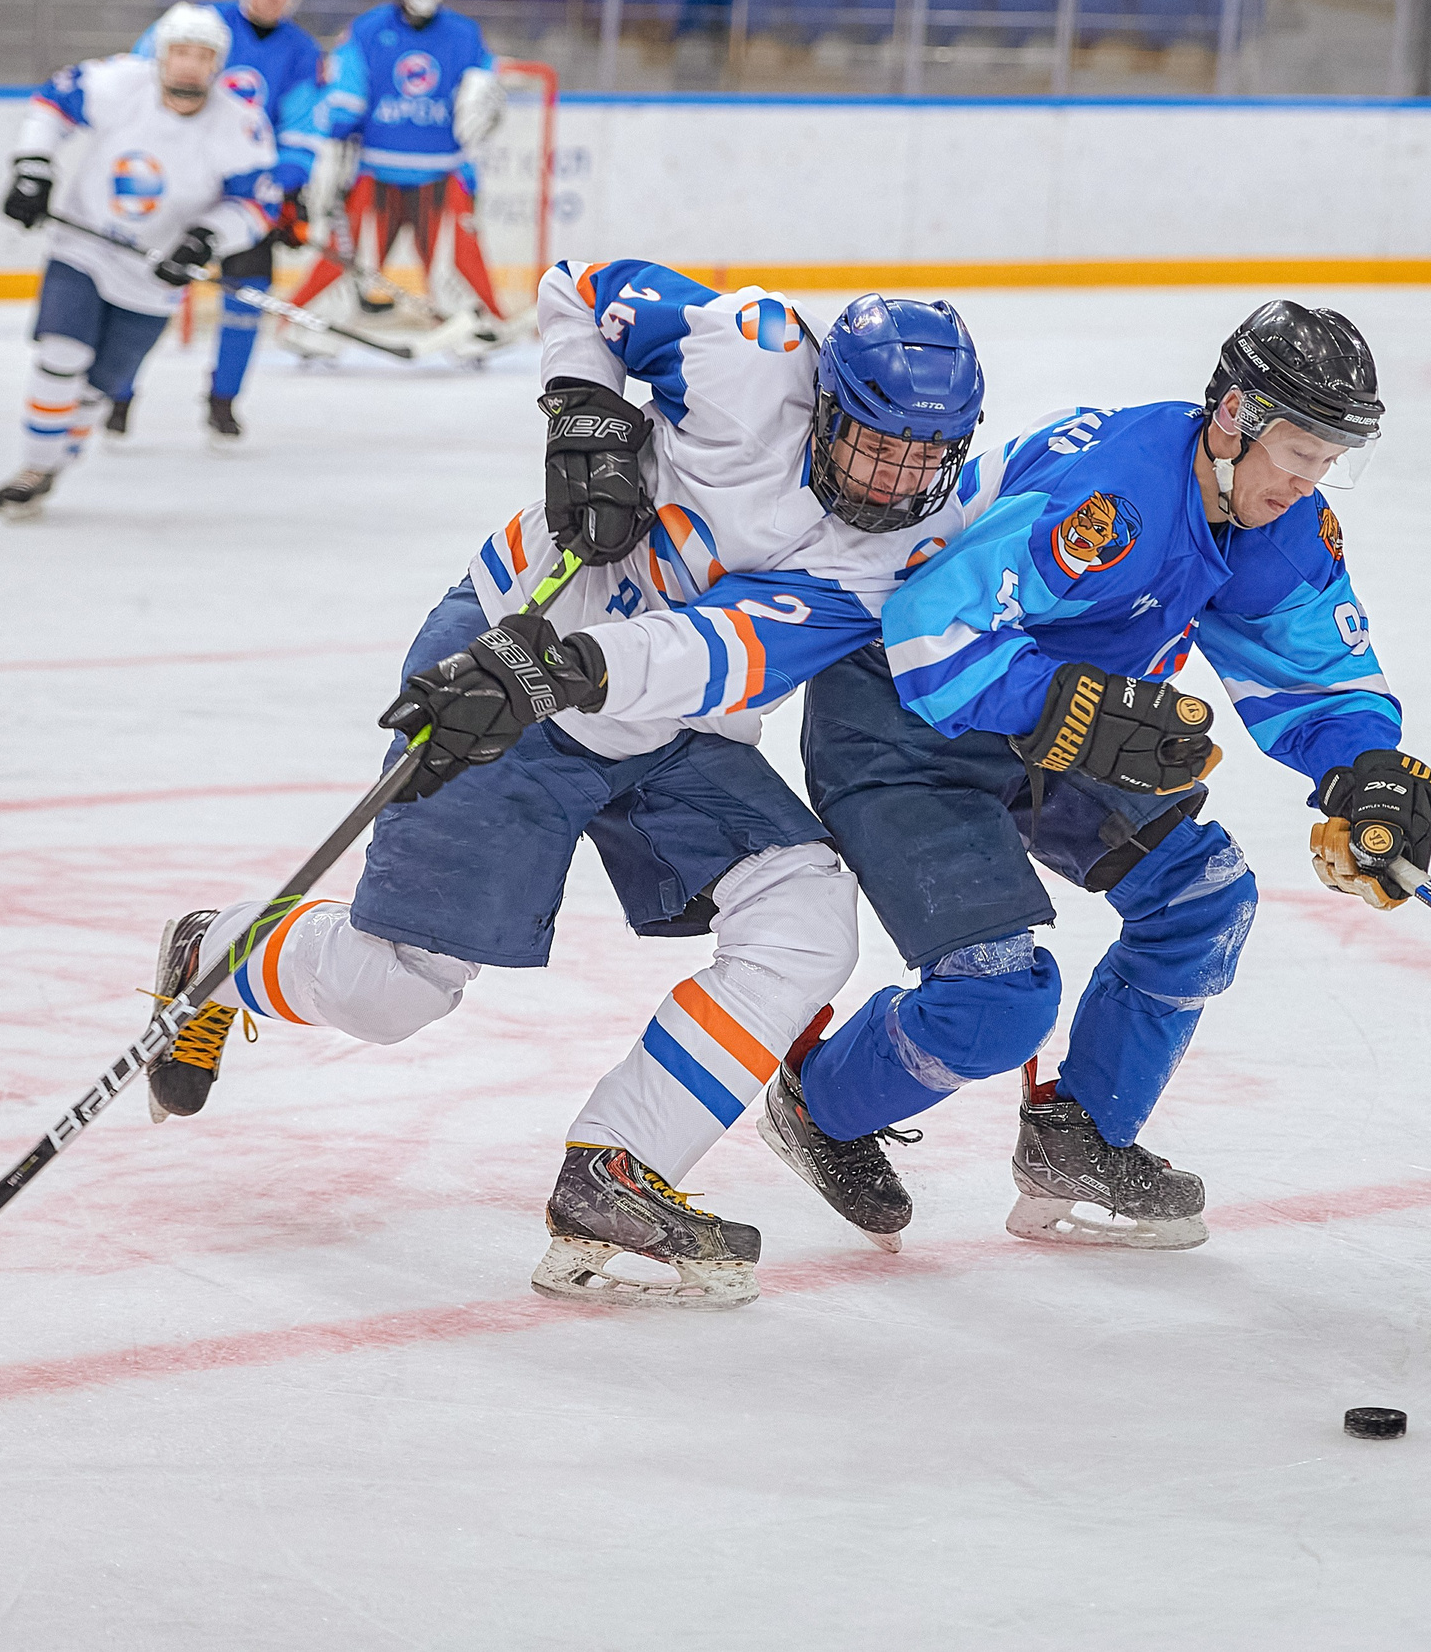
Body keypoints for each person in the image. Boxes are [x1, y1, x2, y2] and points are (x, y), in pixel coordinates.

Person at [143, 259, 983, 1310]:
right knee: (397, 988)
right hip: (499, 650)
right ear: (822, 403)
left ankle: (615, 1167)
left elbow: (725, 651)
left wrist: (577, 667)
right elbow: (584, 287)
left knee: (807, 907)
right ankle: (216, 950)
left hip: (643, 706)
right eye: (875, 443)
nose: (895, 480)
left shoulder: (899, 546)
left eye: (925, 458)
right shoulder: (747, 352)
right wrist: (583, 415)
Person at [769, 301, 1431, 1253]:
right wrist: (1072, 709)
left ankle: (1078, 1141)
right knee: (997, 999)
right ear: (1233, 418)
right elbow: (930, 630)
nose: (1310, 479)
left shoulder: (1272, 524)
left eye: (1331, 457)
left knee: (1204, 899)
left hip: (1061, 726)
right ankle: (823, 1102)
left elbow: (1313, 674)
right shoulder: (1114, 499)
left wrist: (1365, 766)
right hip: (901, 725)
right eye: (1298, 449)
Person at [0, 3, 280, 517]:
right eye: (180, 53)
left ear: (218, 65)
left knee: (96, 392)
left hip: (153, 281)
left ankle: (54, 461)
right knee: (61, 357)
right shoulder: (120, 83)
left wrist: (206, 239)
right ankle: (32, 470)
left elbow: (256, 204)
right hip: (84, 250)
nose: (189, 65)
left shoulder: (240, 123)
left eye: (202, 56)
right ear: (161, 56)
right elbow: (51, 106)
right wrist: (32, 167)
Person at [106, 0, 323, 445]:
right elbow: (139, 84)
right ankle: (118, 391)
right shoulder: (196, 26)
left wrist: (287, 187)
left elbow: (303, 127)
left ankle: (223, 402)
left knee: (247, 298)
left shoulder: (303, 51)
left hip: (247, 195)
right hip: (179, 181)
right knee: (150, 289)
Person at [282, 0, 510, 346]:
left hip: (444, 170)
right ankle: (304, 324)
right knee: (344, 257)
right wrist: (338, 119)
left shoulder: (465, 34)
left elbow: (484, 91)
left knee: (459, 258)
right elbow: (345, 93)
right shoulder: (367, 29)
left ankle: (483, 325)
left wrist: (487, 103)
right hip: (374, 171)